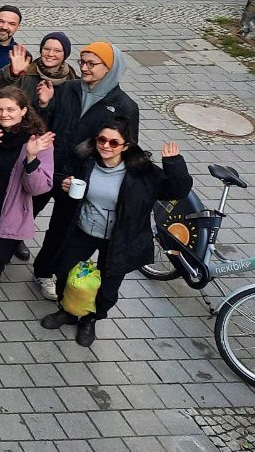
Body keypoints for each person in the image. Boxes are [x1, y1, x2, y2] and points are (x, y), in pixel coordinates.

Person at [40, 122, 191, 346]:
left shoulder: (142, 173)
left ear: (125, 146)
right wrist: (64, 182)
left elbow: (176, 191)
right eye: (102, 140)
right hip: (83, 229)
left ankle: (91, 319)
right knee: (64, 271)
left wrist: (174, 164)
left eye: (113, 142)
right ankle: (68, 311)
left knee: (108, 286)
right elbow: (61, 173)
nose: (106, 146)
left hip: (119, 238)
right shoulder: (86, 161)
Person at [32, 42, 139, 299]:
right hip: (50, 167)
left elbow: (126, 147)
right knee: (25, 211)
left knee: (62, 228)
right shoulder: (68, 88)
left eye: (92, 64)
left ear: (110, 68)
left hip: (82, 179)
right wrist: (45, 105)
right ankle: (4, 251)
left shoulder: (124, 106)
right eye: (82, 62)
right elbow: (47, 124)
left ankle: (44, 271)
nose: (84, 68)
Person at [0, 87, 54, 348]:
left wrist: (32, 158)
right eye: (0, 109)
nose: (4, 114)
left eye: (11, 109)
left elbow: (40, 187)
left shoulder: (37, 140)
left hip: (7, 217)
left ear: (24, 110)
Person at [0, 32, 77, 107]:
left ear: (65, 54)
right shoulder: (25, 72)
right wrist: (11, 73)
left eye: (57, 51)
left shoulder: (72, 78)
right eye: (46, 49)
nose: (50, 54)